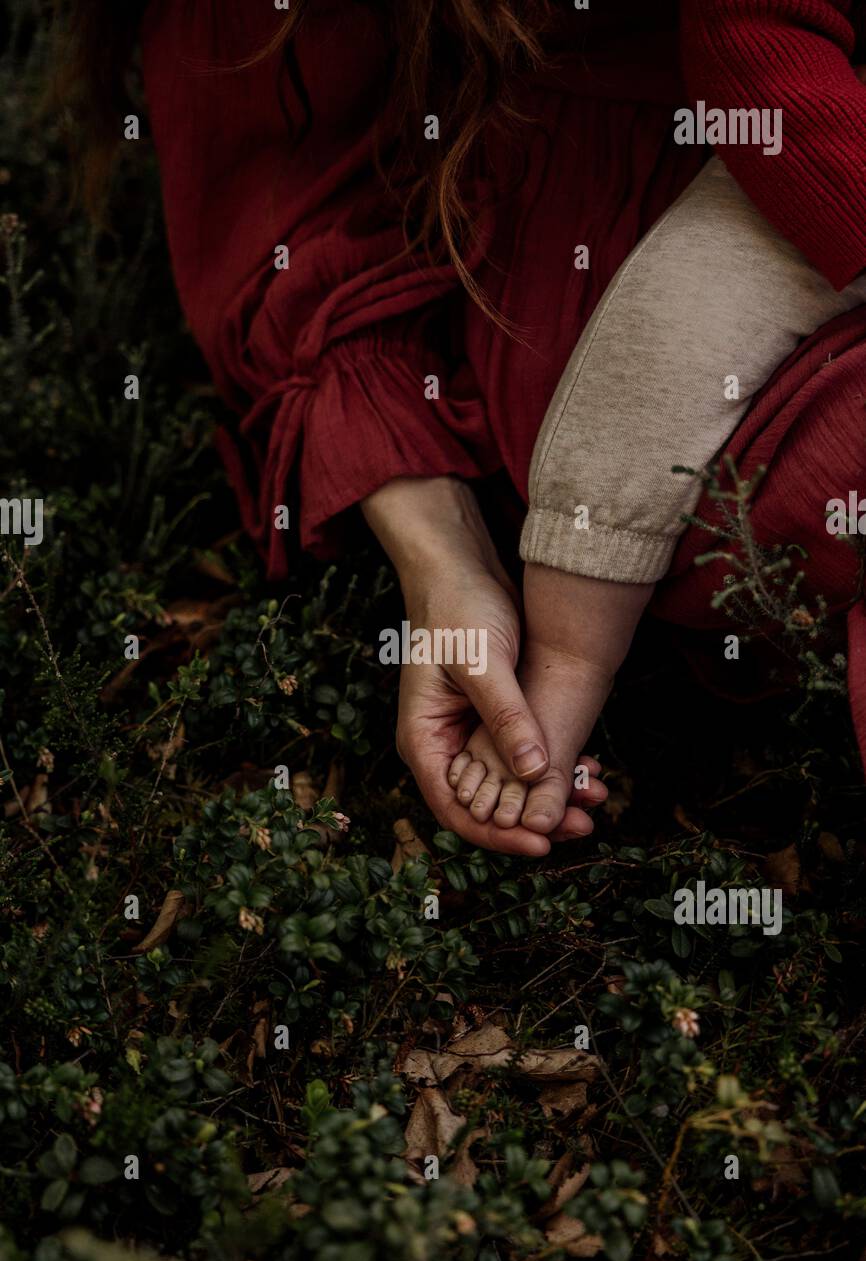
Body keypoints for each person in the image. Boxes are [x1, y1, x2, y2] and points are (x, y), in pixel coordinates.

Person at [54, 0, 866, 853]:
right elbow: (756, 49)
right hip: (701, 188)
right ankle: (566, 662)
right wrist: (444, 561)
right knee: (714, 398)